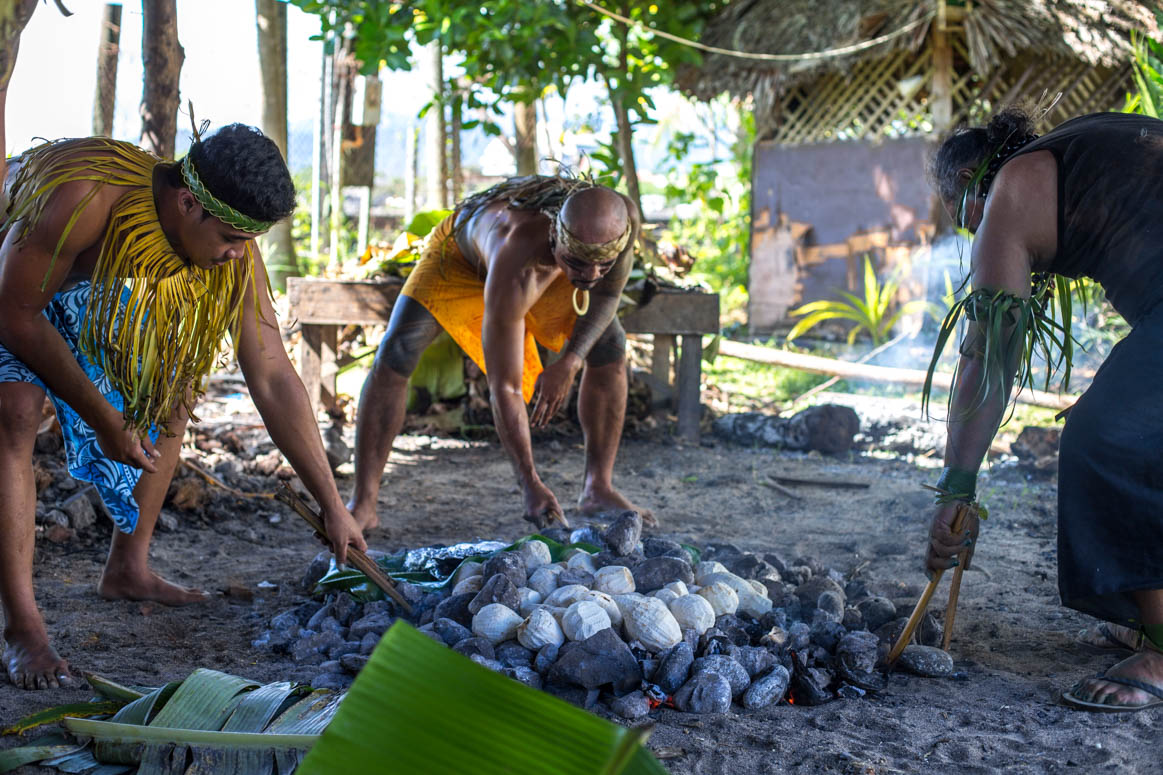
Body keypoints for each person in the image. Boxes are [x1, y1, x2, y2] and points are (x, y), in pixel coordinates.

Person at [0, 125, 367, 690]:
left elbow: (271, 374)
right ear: (188, 202)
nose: (238, 255)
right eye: (229, 238)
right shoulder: (81, 194)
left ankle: (128, 568)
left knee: (175, 379)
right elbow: (15, 315)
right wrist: (106, 419)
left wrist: (332, 503)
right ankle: (22, 627)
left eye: (248, 240)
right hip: (11, 287)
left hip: (74, 292)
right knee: (15, 410)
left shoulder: (230, 247)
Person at [923, 108, 1163, 712]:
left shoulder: (1010, 188)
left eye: (963, 217)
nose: (974, 235)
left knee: (1105, 436)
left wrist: (957, 487)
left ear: (976, 182)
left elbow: (986, 360)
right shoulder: (1079, 154)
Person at [348, 175, 653, 531]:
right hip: (461, 260)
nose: (592, 275)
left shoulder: (620, 224)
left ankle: (598, 488)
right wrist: (530, 483)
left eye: (604, 264)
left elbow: (607, 295)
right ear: (556, 236)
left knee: (611, 348)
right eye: (580, 263)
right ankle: (363, 503)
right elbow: (503, 386)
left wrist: (571, 360)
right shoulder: (516, 258)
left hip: (551, 268)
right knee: (395, 352)